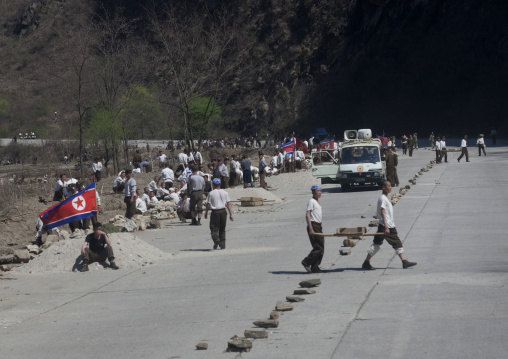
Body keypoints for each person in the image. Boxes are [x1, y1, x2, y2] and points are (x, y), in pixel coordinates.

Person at [362, 180, 417, 270]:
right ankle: (404, 261)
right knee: (396, 242)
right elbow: (383, 212)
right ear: (383, 187)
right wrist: (386, 227)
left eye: (391, 185)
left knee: (377, 244)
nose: (391, 187)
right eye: (389, 186)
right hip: (386, 226)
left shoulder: (385, 197)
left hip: (385, 224)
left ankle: (366, 263)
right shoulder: (383, 198)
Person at [301, 185, 325, 273]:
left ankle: (315, 267)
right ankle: (306, 261)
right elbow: (307, 215)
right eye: (317, 191)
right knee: (319, 247)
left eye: (320, 191)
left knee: (321, 247)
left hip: (318, 225)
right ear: (313, 192)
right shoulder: (311, 201)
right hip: (314, 225)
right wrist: (311, 228)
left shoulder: (317, 201)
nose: (319, 193)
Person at [204, 178, 234, 249]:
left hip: (215, 212)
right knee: (222, 228)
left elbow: (208, 204)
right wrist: (231, 215)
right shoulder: (225, 193)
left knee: (213, 227)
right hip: (223, 211)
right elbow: (228, 204)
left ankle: (216, 239)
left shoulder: (211, 193)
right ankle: (222, 245)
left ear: (213, 184)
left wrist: (206, 212)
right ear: (220, 184)